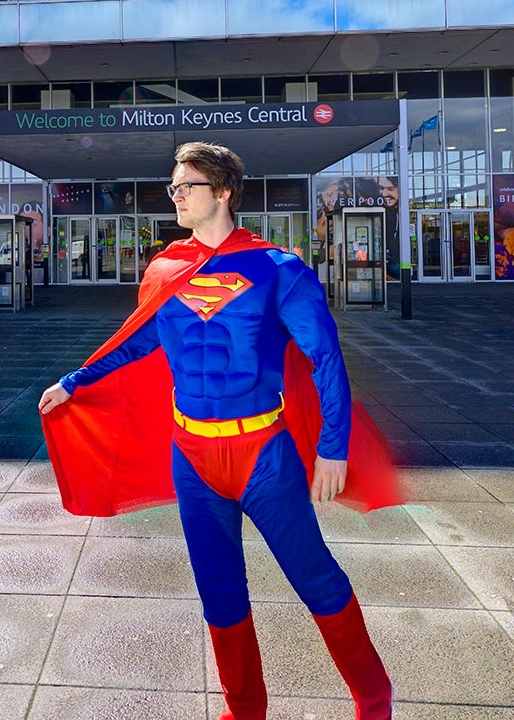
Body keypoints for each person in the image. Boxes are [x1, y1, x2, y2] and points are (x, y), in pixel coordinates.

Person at [38, 143, 400, 720]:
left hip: (265, 454)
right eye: (173, 187)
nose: (175, 196)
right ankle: (244, 709)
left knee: (315, 577)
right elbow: (139, 340)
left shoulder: (278, 268)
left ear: (223, 191)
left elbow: (326, 357)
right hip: (193, 454)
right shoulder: (164, 269)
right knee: (219, 591)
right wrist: (76, 380)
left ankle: (374, 699)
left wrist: (333, 448)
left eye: (187, 187)